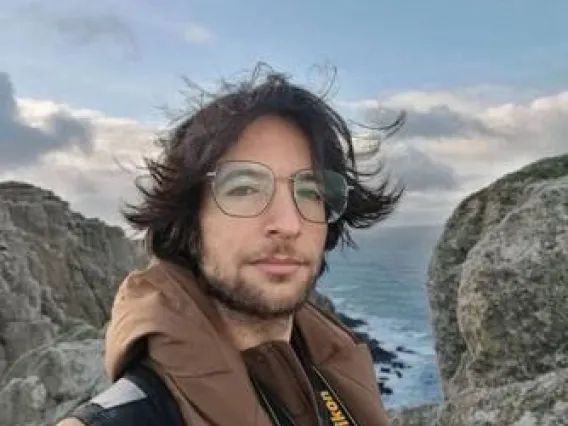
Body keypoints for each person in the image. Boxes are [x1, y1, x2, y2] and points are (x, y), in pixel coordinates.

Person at [57, 65, 404, 426]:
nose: (288, 224)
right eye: (244, 189)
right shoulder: (129, 417)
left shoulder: (340, 378)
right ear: (189, 223)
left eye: (311, 191)